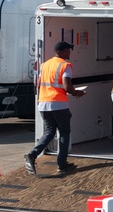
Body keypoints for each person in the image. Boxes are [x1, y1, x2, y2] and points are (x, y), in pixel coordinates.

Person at [25, 41, 86, 175]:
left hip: (43, 103)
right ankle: (62, 164)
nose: (69, 52)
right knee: (64, 132)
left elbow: (39, 84)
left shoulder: (45, 65)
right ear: (61, 51)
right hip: (59, 104)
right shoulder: (66, 66)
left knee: (49, 132)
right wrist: (77, 93)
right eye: (68, 50)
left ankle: (33, 154)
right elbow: (67, 87)